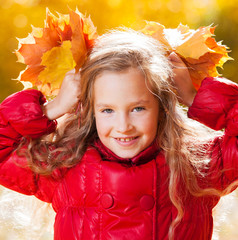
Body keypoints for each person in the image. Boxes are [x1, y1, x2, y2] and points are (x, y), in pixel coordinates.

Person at [0, 29, 238, 240]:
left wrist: (195, 98)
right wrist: (52, 109)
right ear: (89, 110)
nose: (123, 126)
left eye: (138, 108)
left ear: (162, 107)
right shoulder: (64, 166)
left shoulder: (199, 165)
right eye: (108, 110)